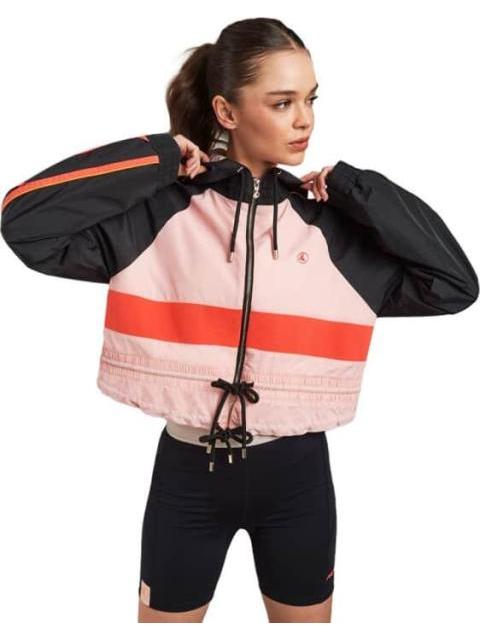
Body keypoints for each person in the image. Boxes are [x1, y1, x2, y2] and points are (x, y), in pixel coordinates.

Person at [1, 17, 478, 624]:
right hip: (186, 478)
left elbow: (454, 285)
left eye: (310, 100)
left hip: (298, 479)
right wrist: (158, 156)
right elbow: (24, 220)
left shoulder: (333, 227)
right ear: (226, 112)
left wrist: (360, 190)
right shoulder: (160, 214)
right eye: (282, 103)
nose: (304, 120)